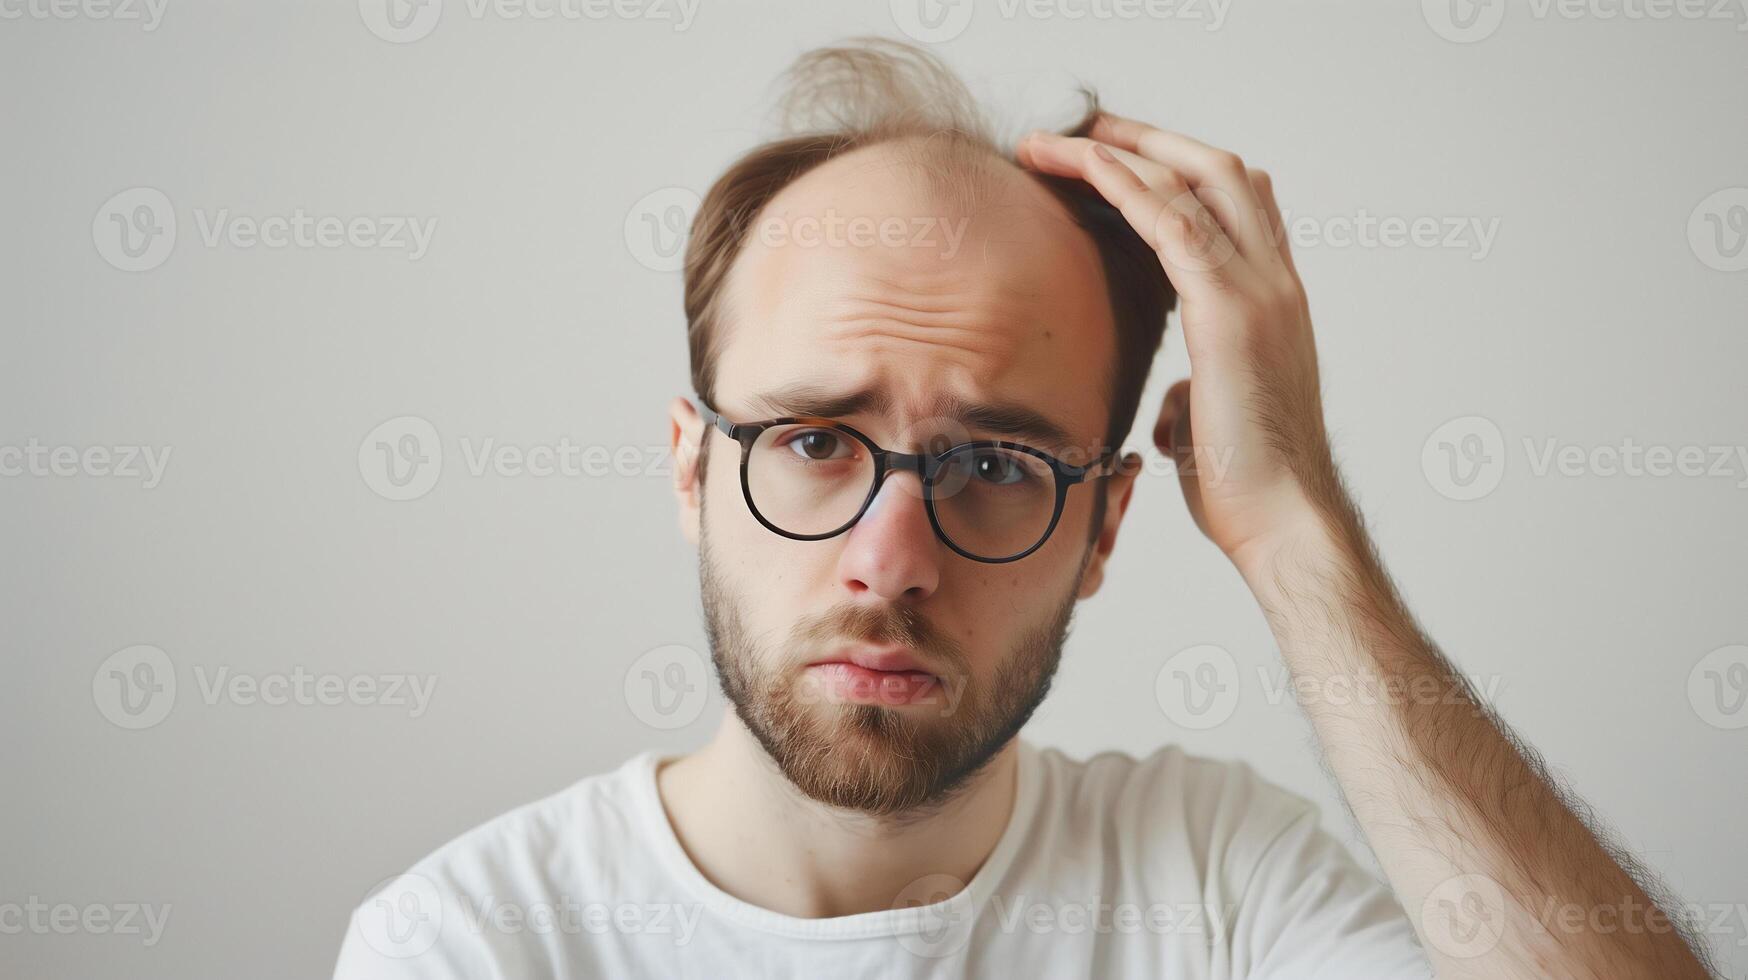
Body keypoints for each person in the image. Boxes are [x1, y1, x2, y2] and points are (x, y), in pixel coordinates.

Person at [333, 38, 1712, 979]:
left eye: (993, 465)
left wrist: (1293, 527)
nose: (891, 562)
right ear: (693, 471)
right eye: (817, 439)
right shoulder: (474, 943)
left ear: (1106, 526)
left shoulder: (1212, 886)